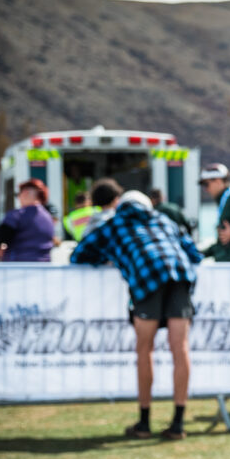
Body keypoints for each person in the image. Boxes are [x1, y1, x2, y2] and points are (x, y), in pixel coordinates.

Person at [70, 179, 202, 439]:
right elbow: (194, 254)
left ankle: (144, 422)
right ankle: (178, 424)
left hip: (146, 279)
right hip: (180, 277)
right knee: (181, 349)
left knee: (145, 350)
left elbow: (79, 254)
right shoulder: (164, 220)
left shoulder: (114, 223)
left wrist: (110, 257)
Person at [0, 179, 55, 262]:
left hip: (19, 265)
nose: (18, 198)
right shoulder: (49, 218)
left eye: (18, 194)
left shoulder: (17, 215)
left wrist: (2, 249)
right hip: (44, 266)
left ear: (25, 192)